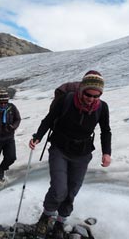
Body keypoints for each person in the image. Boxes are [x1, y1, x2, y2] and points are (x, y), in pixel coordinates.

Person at [29, 70, 112, 239]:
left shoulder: (102, 107)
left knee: (71, 191)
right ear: (82, 89)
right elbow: (49, 119)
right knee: (59, 189)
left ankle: (60, 222)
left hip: (82, 153)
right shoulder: (66, 100)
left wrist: (106, 152)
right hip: (59, 148)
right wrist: (37, 137)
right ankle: (46, 217)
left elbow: (105, 131)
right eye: (88, 94)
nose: (91, 99)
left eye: (96, 96)